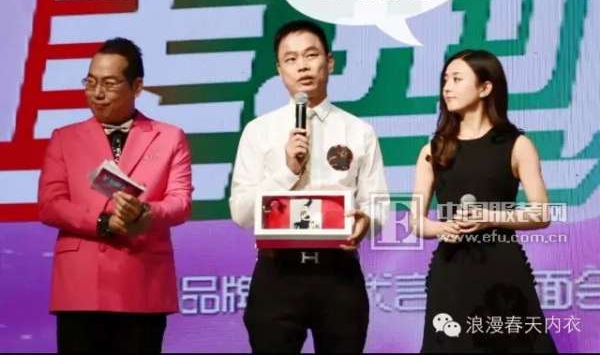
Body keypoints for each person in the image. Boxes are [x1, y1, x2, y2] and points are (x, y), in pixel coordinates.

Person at [229, 20, 389, 353]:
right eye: (290, 59)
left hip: (339, 274)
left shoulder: (358, 131)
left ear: (329, 62)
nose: (302, 65)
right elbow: (241, 213)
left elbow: (378, 205)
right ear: (279, 70)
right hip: (277, 274)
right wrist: (287, 170)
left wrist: (366, 222)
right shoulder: (259, 131)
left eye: (311, 55)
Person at [38, 37, 192, 353]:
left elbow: (180, 202)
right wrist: (102, 222)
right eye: (90, 82)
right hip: (81, 286)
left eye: (109, 83)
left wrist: (145, 213)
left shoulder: (169, 137)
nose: (97, 93)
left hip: (142, 281)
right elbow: (50, 205)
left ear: (137, 86)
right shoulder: (65, 138)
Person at [410, 49, 557, 352]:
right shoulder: (433, 150)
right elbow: (416, 222)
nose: (447, 88)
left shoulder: (517, 144)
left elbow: (541, 213)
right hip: (452, 272)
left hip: (503, 271)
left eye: (457, 79)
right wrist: (443, 228)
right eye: (445, 80)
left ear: (485, 87)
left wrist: (490, 218)